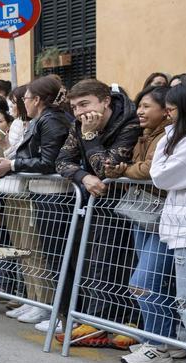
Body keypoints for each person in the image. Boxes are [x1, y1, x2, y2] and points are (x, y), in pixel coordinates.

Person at [53, 79, 142, 346]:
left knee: (126, 264)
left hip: (133, 206)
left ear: (105, 101)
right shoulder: (78, 123)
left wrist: (90, 137)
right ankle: (96, 322)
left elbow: (107, 167)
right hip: (97, 202)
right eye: (75, 107)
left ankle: (127, 323)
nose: (79, 113)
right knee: (95, 262)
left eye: (84, 104)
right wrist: (83, 177)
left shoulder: (130, 122)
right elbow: (62, 160)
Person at [0, 75, 75, 328]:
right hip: (43, 194)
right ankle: (53, 309)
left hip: (55, 196)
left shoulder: (52, 120)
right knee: (47, 254)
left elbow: (48, 161)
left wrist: (12, 164)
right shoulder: (43, 120)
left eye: (24, 98)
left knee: (56, 257)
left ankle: (62, 315)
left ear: (36, 99)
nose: (22, 102)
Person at [112, 86, 182, 363]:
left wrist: (126, 170)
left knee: (144, 283)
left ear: (166, 110)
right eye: (138, 105)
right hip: (143, 215)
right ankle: (162, 341)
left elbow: (151, 171)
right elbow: (131, 163)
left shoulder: (170, 135)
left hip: (162, 216)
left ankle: (157, 346)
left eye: (146, 106)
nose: (139, 111)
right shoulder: (143, 134)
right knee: (154, 284)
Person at [151, 79, 186, 363]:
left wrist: (168, 137)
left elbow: (161, 176)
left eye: (172, 110)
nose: (168, 116)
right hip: (183, 226)